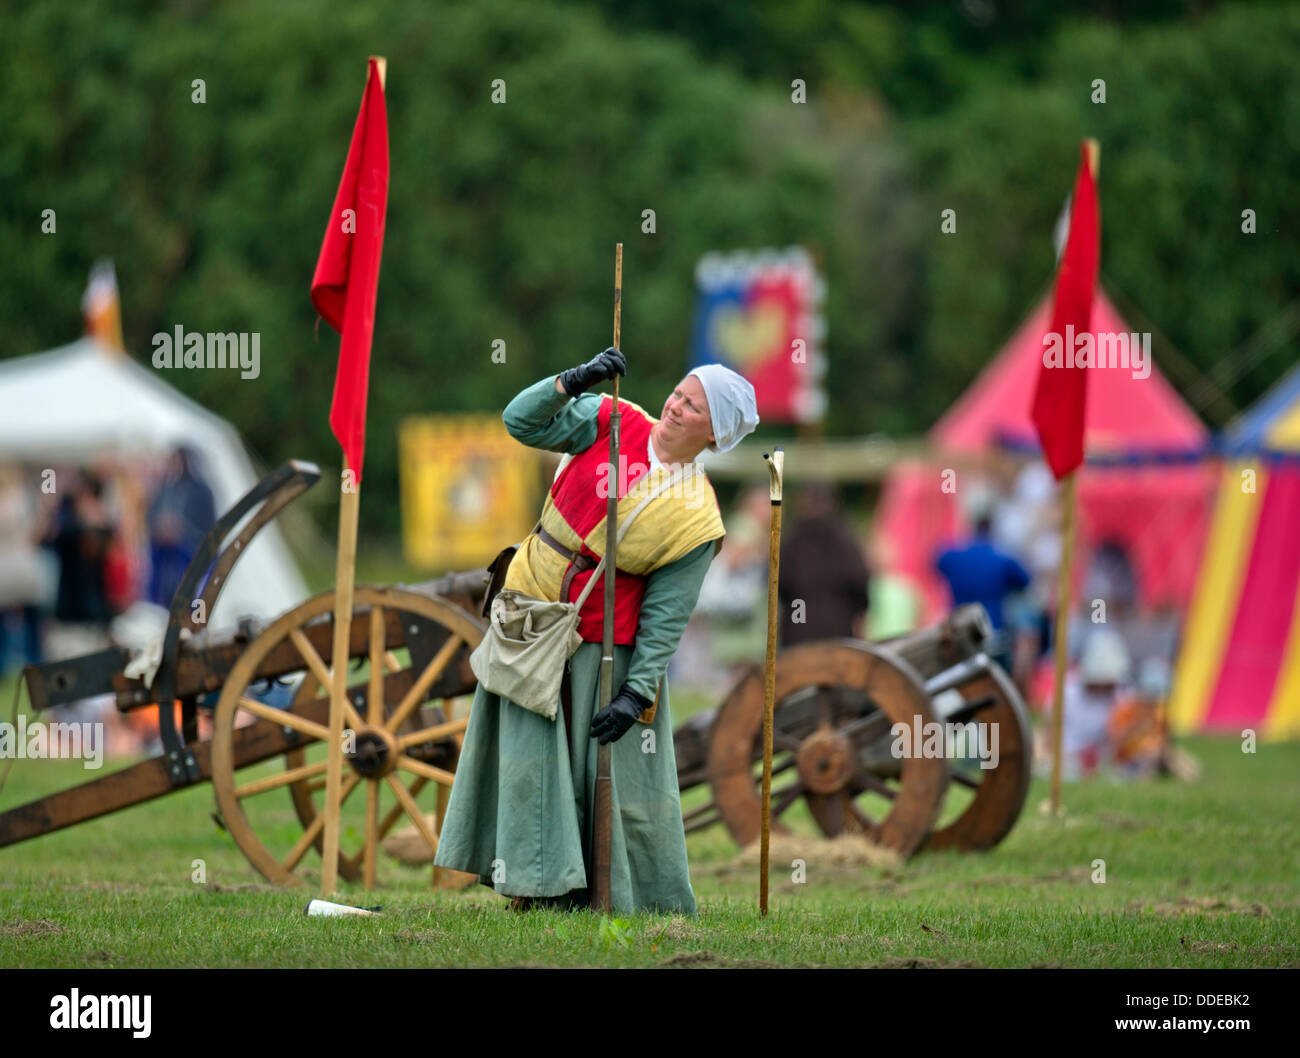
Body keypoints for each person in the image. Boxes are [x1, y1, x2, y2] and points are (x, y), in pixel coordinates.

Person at [433, 349, 759, 914]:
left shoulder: (697, 516)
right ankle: (527, 887)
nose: (676, 407)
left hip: (600, 649)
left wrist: (636, 692)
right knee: (528, 762)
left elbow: (667, 613)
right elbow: (520, 421)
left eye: (694, 407)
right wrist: (570, 382)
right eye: (680, 394)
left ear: (715, 434)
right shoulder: (613, 419)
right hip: (530, 617)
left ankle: (596, 895)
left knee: (598, 780)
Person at [934, 511, 1031, 672]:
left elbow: (936, 562)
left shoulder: (952, 556)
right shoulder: (1003, 559)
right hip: (992, 632)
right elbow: (1024, 581)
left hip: (957, 632)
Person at [777, 482, 870, 645]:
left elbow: (779, 581)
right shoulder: (844, 537)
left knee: (801, 664)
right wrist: (857, 611)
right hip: (837, 621)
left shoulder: (792, 538)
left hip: (799, 616)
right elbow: (860, 580)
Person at [147, 446, 216, 608]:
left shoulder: (202, 491)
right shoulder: (164, 489)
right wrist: (160, 528)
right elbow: (151, 516)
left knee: (194, 599)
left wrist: (183, 530)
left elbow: (209, 526)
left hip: (190, 555)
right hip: (165, 558)